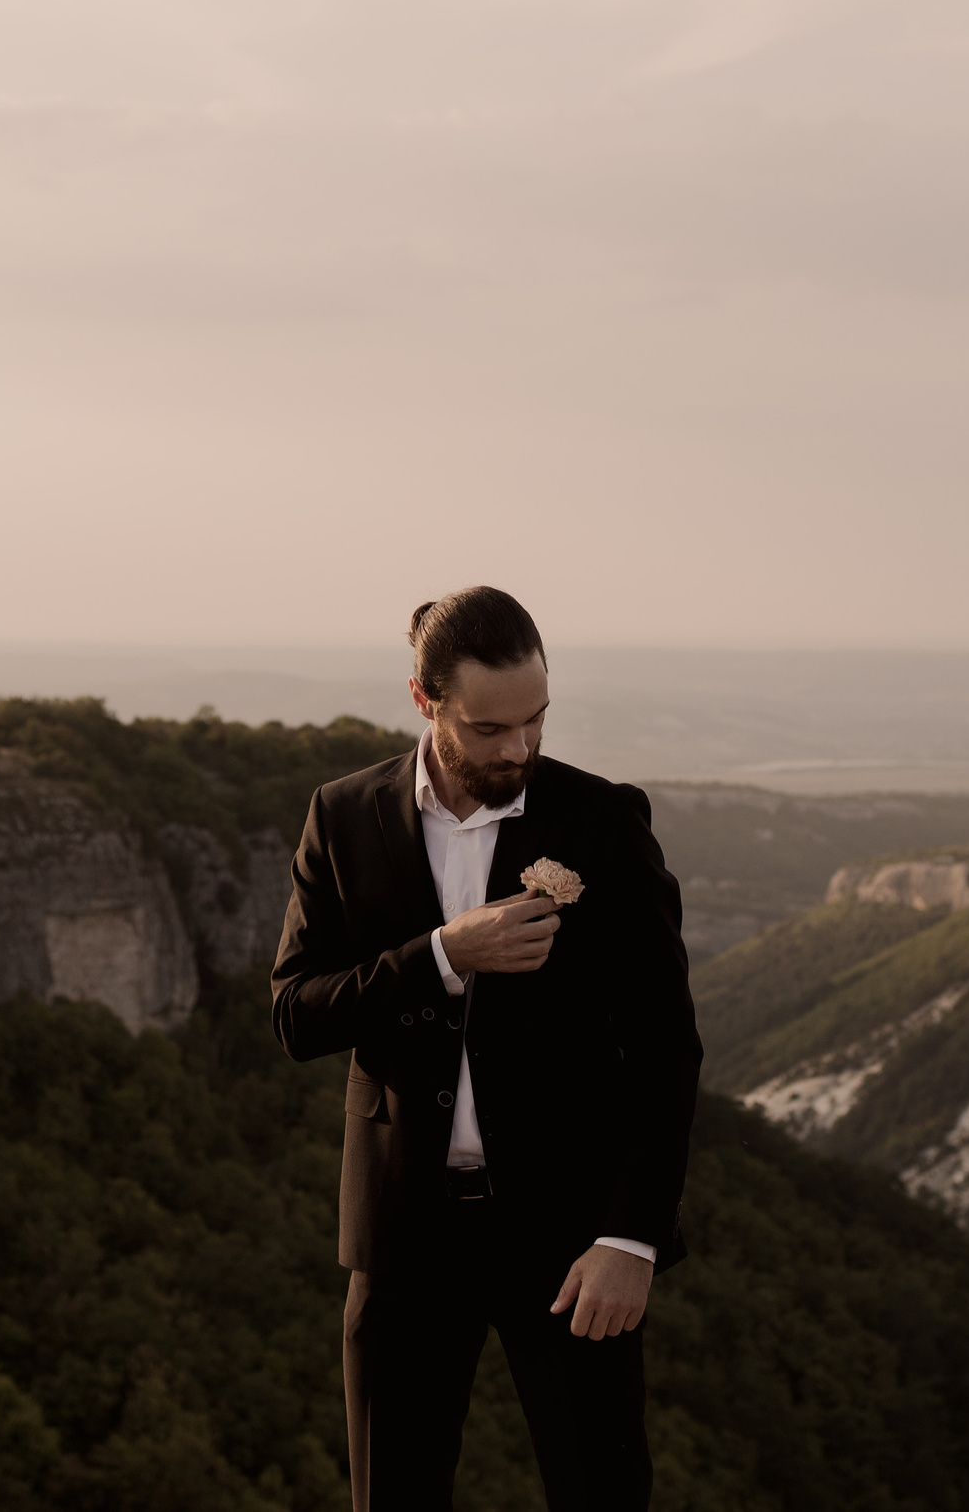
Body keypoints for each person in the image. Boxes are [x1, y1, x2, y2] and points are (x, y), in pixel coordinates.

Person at [271, 587, 703, 1512]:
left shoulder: (602, 821)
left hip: (571, 1238)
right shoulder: (342, 817)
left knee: (603, 1492)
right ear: (426, 701)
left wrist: (632, 1236)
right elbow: (295, 1013)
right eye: (492, 727)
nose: (520, 748)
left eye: (537, 720)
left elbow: (667, 1046)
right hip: (403, 1233)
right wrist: (440, 957)